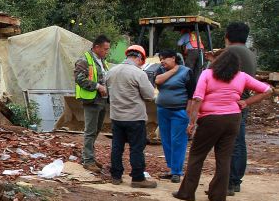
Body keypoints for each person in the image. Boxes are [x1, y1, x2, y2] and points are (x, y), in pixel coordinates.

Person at [173, 50, 273, 201]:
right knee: (224, 158)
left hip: (210, 119)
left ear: (218, 61)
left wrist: (192, 123)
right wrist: (247, 102)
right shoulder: (241, 76)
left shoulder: (207, 74)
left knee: (197, 156)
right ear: (236, 65)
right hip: (233, 119)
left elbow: (198, 98)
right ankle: (218, 197)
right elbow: (267, 90)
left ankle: (186, 193)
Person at [106, 45, 157, 188]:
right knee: (136, 148)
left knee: (117, 147)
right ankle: (138, 178)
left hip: (116, 117)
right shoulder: (139, 73)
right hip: (135, 117)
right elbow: (149, 95)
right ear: (140, 58)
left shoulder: (111, 71)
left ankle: (116, 176)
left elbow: (108, 94)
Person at [224, 22, 257, 195]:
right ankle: (235, 180)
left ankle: (230, 181)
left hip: (231, 103)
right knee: (239, 142)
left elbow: (219, 74)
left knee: (232, 143)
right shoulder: (250, 54)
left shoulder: (231, 51)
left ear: (228, 35)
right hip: (242, 102)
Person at [154, 50, 195, 183]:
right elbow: (158, 80)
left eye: (164, 58)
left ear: (173, 58)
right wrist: (173, 70)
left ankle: (177, 171)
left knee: (178, 141)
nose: (162, 61)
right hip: (163, 110)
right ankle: (171, 168)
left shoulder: (187, 72)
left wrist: (189, 115)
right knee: (166, 140)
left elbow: (191, 96)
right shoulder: (161, 70)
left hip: (179, 111)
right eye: (161, 59)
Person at [74, 35, 111, 172]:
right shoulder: (84, 60)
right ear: (96, 47)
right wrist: (97, 86)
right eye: (105, 49)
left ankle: (88, 156)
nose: (106, 52)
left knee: (96, 130)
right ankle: (88, 161)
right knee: (90, 131)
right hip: (91, 100)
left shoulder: (102, 61)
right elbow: (79, 79)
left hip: (102, 100)